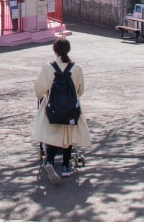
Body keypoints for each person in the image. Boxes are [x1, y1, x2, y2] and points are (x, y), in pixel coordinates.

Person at [30, 36, 91, 184]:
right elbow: (80, 91)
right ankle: (65, 166)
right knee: (68, 136)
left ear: (54, 50)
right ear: (68, 50)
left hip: (52, 108)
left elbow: (39, 90)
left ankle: (49, 161)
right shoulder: (77, 68)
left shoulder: (48, 68)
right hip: (71, 109)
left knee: (51, 133)